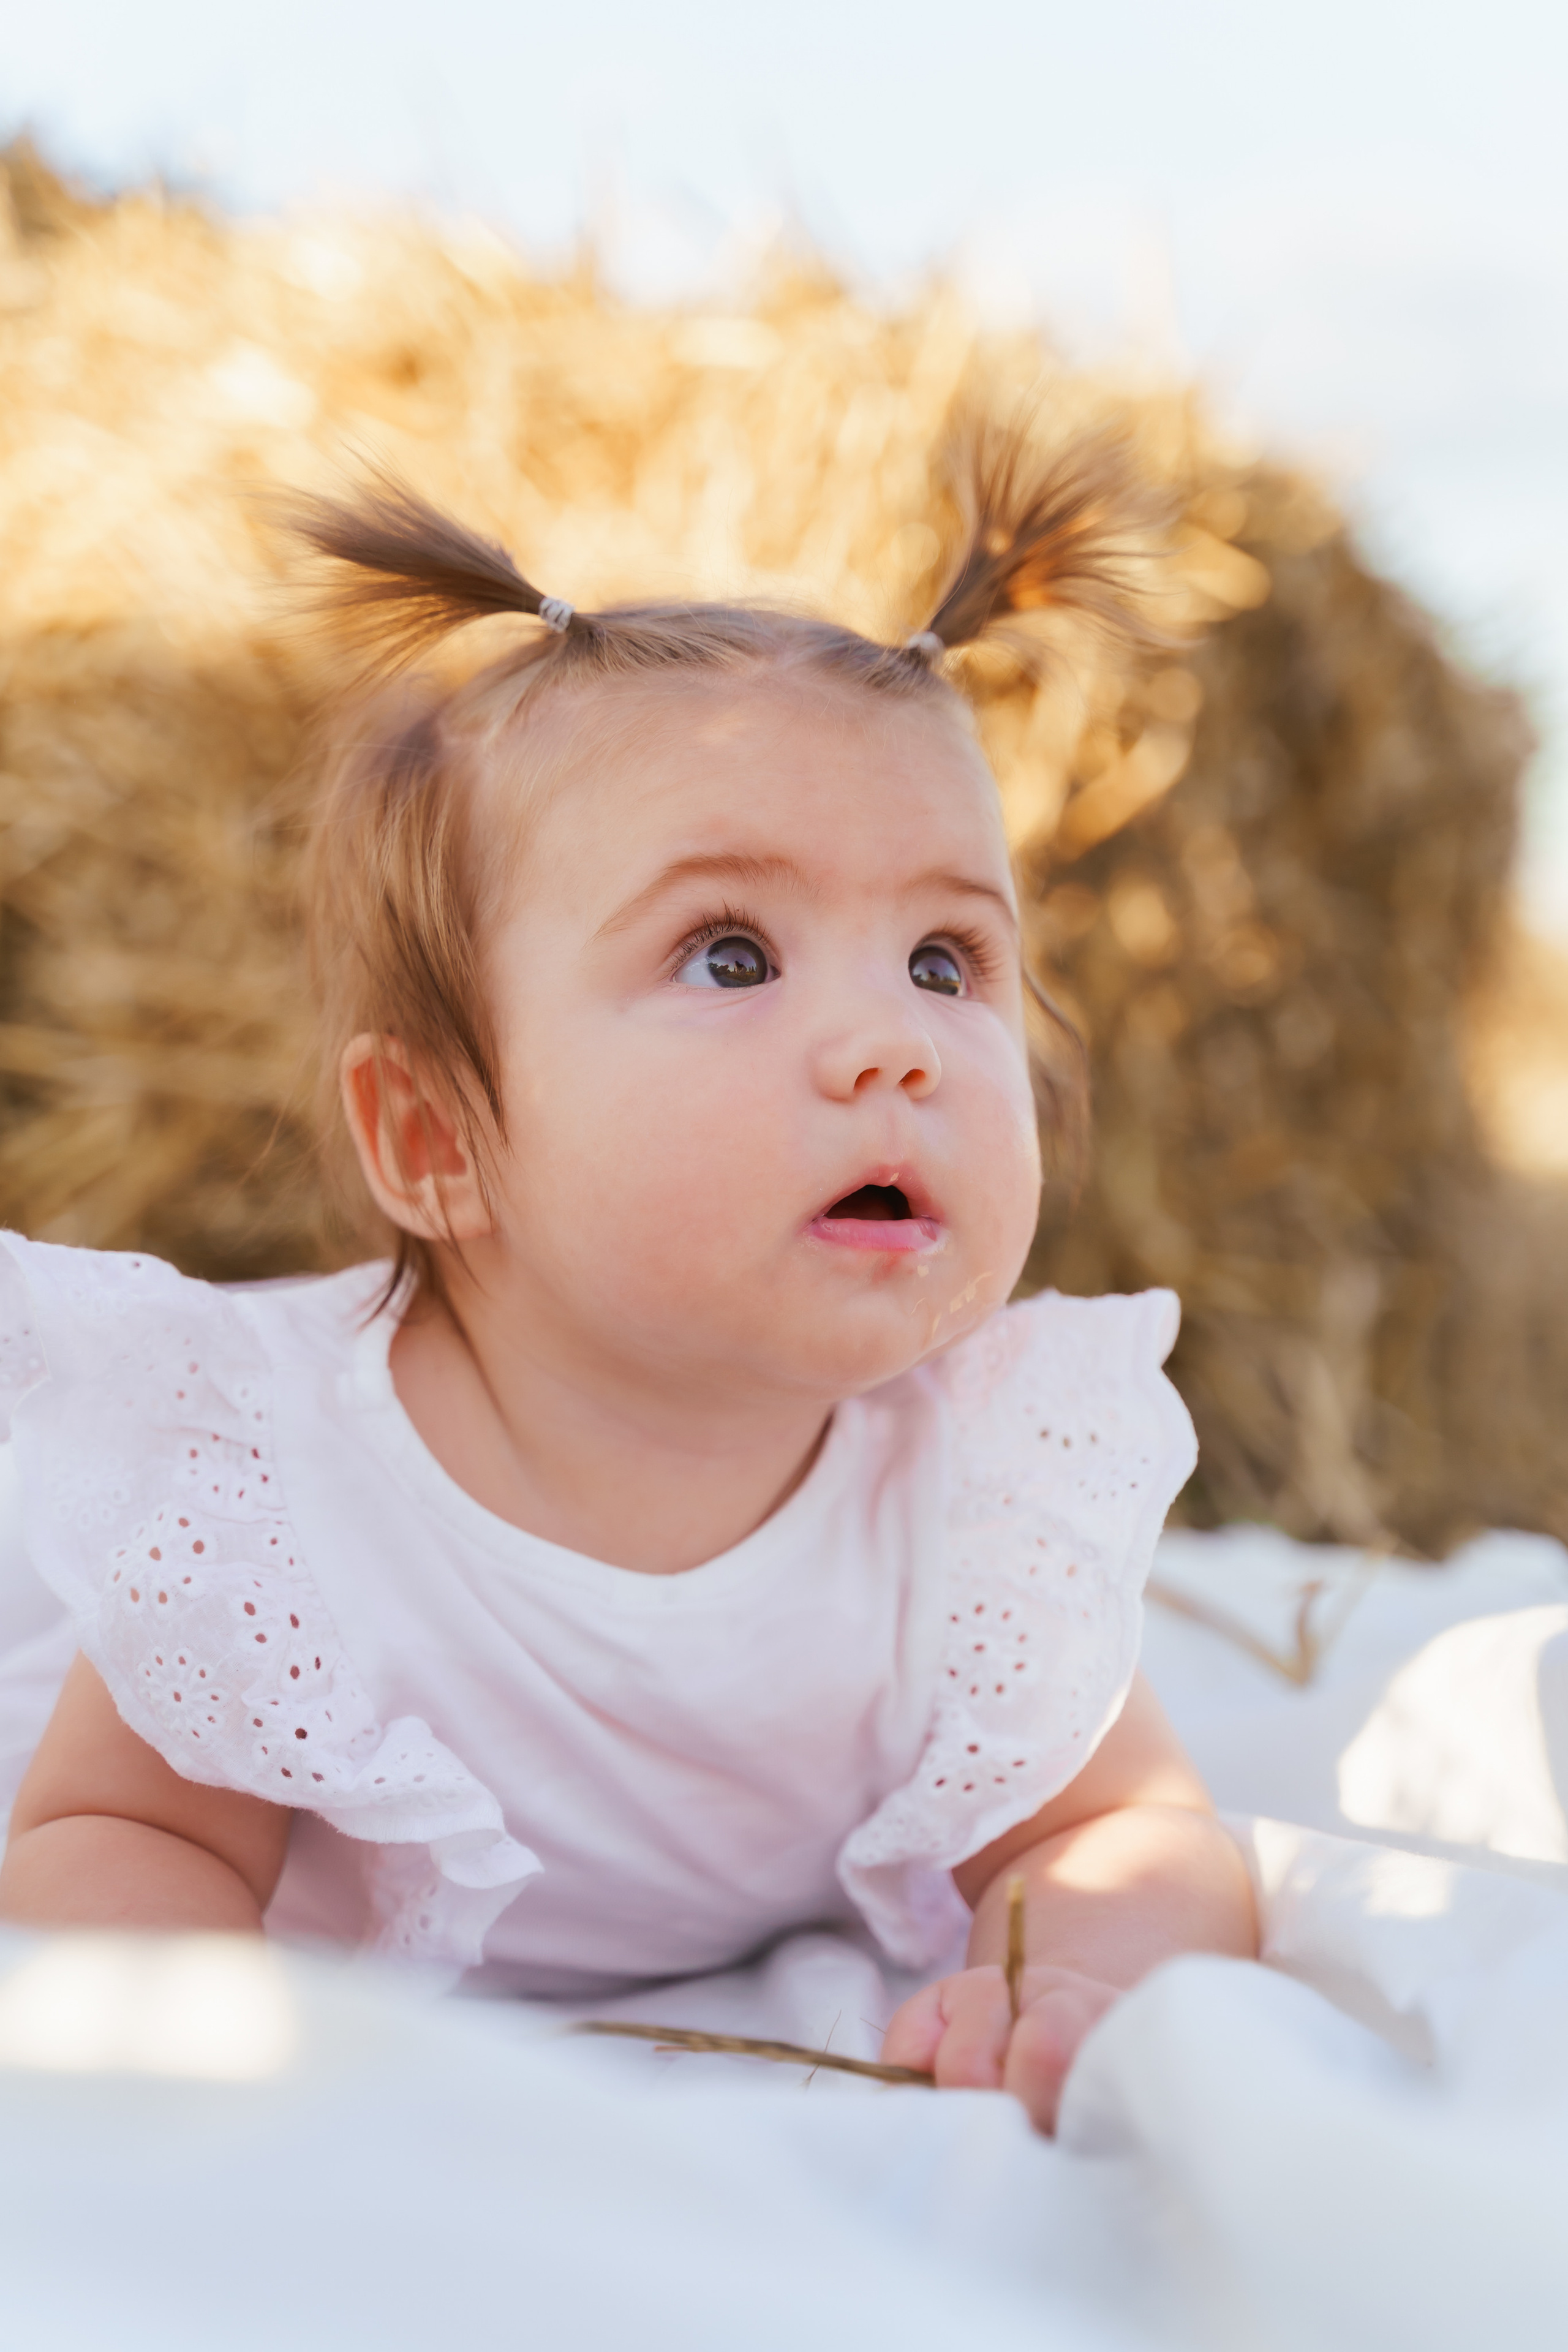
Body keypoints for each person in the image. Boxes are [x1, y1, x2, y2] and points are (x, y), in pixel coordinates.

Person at [0, 437, 1256, 2130]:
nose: (896, 1041)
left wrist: (1078, 1968)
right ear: (439, 1136)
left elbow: (1117, 1828)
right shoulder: (271, 1497)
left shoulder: (973, 1495)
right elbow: (119, 1837)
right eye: (731, 952)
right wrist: (186, 2042)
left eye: (946, 959)